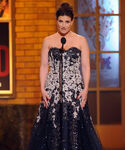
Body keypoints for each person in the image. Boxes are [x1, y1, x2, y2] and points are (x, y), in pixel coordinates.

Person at [28, 2, 103, 150]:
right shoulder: (48, 41)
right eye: (60, 21)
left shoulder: (81, 41)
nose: (63, 25)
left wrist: (86, 89)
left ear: (72, 21)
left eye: (67, 21)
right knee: (52, 129)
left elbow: (86, 66)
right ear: (56, 20)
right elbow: (44, 66)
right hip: (53, 92)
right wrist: (43, 89)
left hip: (75, 92)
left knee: (75, 131)